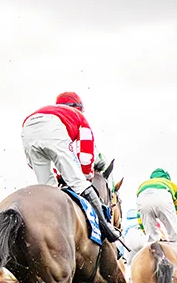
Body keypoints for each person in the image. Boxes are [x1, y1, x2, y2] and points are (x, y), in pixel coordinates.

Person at [21, 91, 120, 241]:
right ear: (78, 108)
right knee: (79, 183)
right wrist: (84, 177)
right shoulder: (78, 116)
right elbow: (86, 156)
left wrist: (59, 175)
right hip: (51, 132)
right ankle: (106, 228)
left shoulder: (51, 112)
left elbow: (32, 162)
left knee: (48, 188)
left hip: (26, 127)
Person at [136, 168, 177, 252]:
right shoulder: (171, 184)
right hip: (163, 198)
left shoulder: (143, 185)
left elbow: (139, 215)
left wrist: (147, 232)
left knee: (151, 242)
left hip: (143, 199)